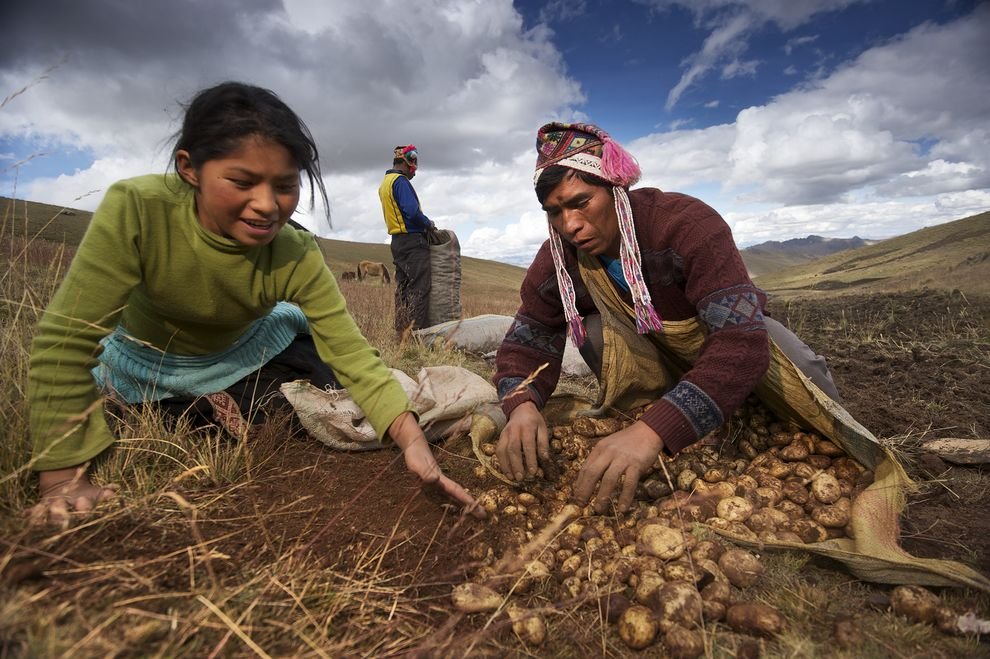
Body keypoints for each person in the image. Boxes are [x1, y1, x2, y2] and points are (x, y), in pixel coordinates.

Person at [27, 81, 481, 525]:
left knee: (317, 396)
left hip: (250, 348)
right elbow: (66, 339)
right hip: (150, 363)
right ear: (189, 168)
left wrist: (411, 440)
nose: (267, 205)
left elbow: (351, 353)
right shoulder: (137, 209)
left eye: (285, 185)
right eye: (241, 181)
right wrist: (61, 481)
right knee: (204, 417)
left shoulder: (294, 250)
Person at [493, 122, 840, 514]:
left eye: (581, 202)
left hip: (722, 342)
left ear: (614, 187)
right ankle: (664, 405)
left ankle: (696, 410)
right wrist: (521, 404)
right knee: (592, 333)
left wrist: (652, 431)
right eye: (554, 212)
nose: (569, 224)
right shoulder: (558, 259)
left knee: (803, 376)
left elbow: (740, 343)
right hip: (655, 355)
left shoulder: (685, 224)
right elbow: (529, 337)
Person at [378, 144, 434, 333]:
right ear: (406, 161)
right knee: (420, 287)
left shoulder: (385, 183)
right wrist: (428, 223)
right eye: (414, 161)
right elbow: (411, 211)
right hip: (412, 242)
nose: (415, 170)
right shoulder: (400, 181)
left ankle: (401, 330)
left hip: (397, 242)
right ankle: (419, 333)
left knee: (402, 288)